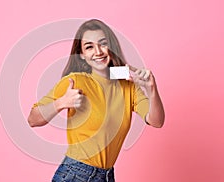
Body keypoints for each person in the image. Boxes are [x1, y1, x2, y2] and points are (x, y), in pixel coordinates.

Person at [28, 19, 165, 182]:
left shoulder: (127, 86)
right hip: (75, 174)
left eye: (103, 44)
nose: (98, 51)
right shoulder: (76, 81)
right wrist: (61, 102)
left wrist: (151, 89)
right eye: (89, 47)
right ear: (82, 55)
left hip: (107, 176)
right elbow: (33, 119)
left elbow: (156, 121)